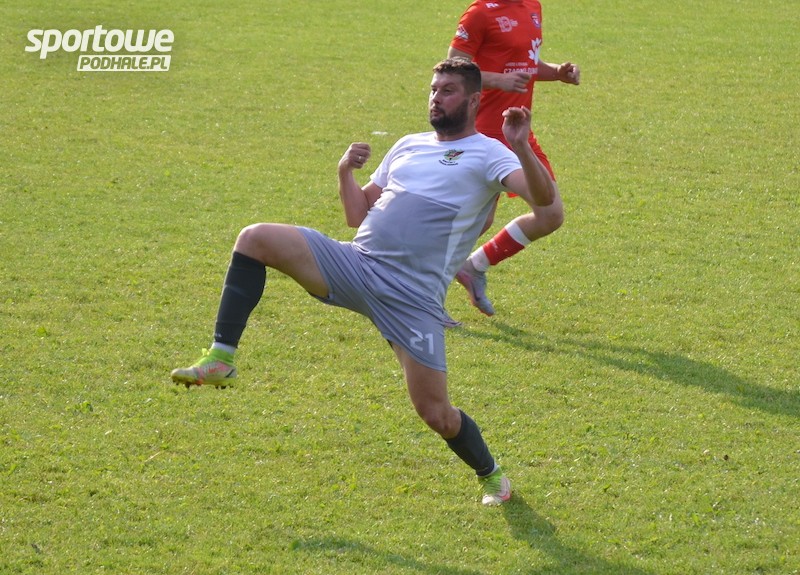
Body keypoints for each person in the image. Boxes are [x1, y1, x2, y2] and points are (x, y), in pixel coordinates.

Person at [170, 58, 557, 506]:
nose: (436, 98)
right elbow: (357, 215)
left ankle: (493, 478)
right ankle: (221, 358)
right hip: (356, 263)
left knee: (436, 414)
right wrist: (344, 173)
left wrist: (521, 146)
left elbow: (543, 198)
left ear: (473, 100)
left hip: (412, 298)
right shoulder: (408, 145)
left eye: (448, 91)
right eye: (433, 89)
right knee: (255, 238)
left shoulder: (490, 153)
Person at [447, 0, 580, 317]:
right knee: (471, 223)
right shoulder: (480, 13)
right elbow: (453, 69)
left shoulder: (532, 6)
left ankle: (473, 267)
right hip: (482, 133)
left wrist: (556, 73)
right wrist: (497, 80)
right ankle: (415, 291)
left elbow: (525, 64)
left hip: (517, 132)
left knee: (550, 214)